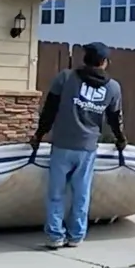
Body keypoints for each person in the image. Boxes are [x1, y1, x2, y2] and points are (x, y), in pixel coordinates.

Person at [31, 41, 126, 251]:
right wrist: (121, 139)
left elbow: (49, 110)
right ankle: (76, 235)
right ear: (104, 62)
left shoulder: (65, 78)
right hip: (87, 149)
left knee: (56, 193)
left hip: (62, 146)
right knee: (81, 193)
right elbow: (114, 118)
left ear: (84, 59)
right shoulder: (112, 87)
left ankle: (55, 236)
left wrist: (38, 135)